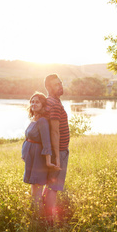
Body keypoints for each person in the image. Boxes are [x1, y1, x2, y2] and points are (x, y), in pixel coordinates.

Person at [22, 92, 58, 215]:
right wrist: (24, 153)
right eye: (32, 101)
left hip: (38, 159)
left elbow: (46, 142)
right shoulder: (33, 119)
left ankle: (38, 217)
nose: (33, 104)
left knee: (36, 187)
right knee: (33, 187)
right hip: (30, 158)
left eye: (37, 102)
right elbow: (28, 139)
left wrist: (48, 161)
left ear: (43, 105)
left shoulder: (42, 121)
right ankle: (36, 214)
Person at [43, 74, 70, 223]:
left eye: (60, 83)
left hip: (57, 151)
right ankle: (50, 222)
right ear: (48, 87)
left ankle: (44, 216)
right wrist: (58, 156)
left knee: (50, 184)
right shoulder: (53, 104)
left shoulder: (53, 102)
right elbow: (54, 131)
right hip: (58, 151)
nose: (60, 86)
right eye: (56, 84)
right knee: (54, 187)